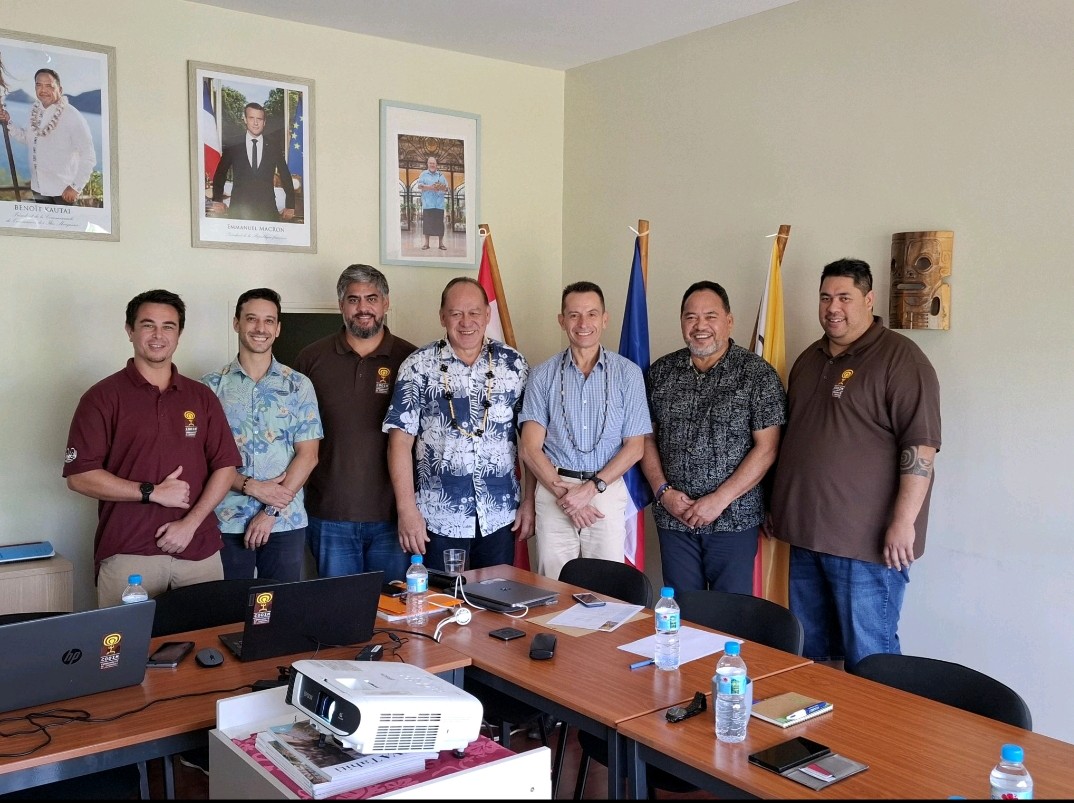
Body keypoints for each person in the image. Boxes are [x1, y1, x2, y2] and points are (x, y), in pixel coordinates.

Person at [770, 258, 941, 669]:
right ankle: (821, 736)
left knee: (871, 658)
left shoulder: (902, 360)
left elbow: (921, 449)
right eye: (826, 297)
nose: (834, 307)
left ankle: (879, 736)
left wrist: (903, 523)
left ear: (868, 300)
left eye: (845, 297)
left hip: (866, 546)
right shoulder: (809, 359)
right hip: (806, 537)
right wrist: (779, 505)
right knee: (814, 658)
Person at [62, 290, 241, 607]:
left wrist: (189, 524)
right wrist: (151, 491)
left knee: (208, 652)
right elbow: (80, 476)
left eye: (168, 326)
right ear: (130, 330)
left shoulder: (201, 397)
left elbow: (225, 467)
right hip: (128, 554)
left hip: (198, 551)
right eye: (148, 325)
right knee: (124, 651)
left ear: (179, 334)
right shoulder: (102, 397)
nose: (159, 335)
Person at [642, 281, 786, 595]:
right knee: (683, 615)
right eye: (691, 317)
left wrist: (718, 500)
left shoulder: (757, 376)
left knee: (731, 618)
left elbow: (767, 448)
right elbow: (646, 439)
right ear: (682, 322)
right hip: (674, 519)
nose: (700, 326)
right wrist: (662, 491)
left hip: (733, 520)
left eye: (710, 316)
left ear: (729, 321)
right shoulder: (660, 373)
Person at [384, 277, 534, 571]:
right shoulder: (418, 365)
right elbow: (399, 443)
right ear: (442, 316)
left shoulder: (513, 364)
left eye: (474, 312)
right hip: (438, 517)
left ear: (487, 315)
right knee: (442, 607)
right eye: (456, 313)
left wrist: (529, 502)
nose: (466, 322)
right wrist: (406, 510)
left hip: (500, 515)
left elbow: (530, 441)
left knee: (495, 605)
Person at [519, 281, 651, 580]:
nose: (583, 323)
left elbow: (635, 447)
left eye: (592, 314)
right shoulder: (542, 375)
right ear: (562, 320)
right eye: (574, 315)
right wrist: (565, 495)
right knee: (552, 589)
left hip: (605, 491)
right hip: (554, 491)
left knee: (607, 590)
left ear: (605, 319)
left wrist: (589, 491)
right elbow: (529, 447)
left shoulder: (628, 374)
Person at [293, 265, 416, 582]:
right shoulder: (311, 359)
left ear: (386, 303)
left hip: (394, 517)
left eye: (372, 298)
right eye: (354, 299)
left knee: (396, 615)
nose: (363, 308)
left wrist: (409, 510)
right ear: (341, 305)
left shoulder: (412, 360)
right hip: (330, 514)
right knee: (339, 615)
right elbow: (294, 436)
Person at [201, 288, 323, 582]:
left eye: (269, 321)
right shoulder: (209, 387)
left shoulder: (298, 385)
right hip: (226, 520)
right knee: (226, 615)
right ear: (236, 323)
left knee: (281, 615)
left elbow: (308, 455)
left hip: (284, 521)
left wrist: (269, 511)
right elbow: (202, 457)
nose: (260, 328)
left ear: (278, 328)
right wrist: (250, 486)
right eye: (252, 319)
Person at [0, 68, 95, 205]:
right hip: (38, 189)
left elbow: (88, 155)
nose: (43, 90)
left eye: (49, 86)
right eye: (39, 85)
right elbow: (27, 138)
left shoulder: (72, 115)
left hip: (63, 192)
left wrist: (76, 187)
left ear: (60, 89)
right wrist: (8, 122)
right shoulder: (35, 111)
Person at [210, 102, 294, 222]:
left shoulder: (273, 145)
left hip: (267, 211)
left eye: (259, 119)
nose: (255, 123)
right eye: (251, 118)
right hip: (238, 211)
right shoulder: (233, 144)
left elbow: (285, 175)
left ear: (264, 122)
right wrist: (217, 200)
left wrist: (290, 205)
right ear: (245, 119)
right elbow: (220, 173)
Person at [417, 156, 449, 251]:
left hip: (439, 204)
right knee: (427, 224)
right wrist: (431, 187)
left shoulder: (441, 175)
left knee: (440, 225)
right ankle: (426, 244)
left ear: (436, 165)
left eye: (433, 163)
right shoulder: (423, 174)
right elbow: (419, 186)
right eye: (430, 163)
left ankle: (441, 244)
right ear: (427, 164)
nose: (432, 165)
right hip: (428, 204)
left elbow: (447, 188)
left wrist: (441, 187)